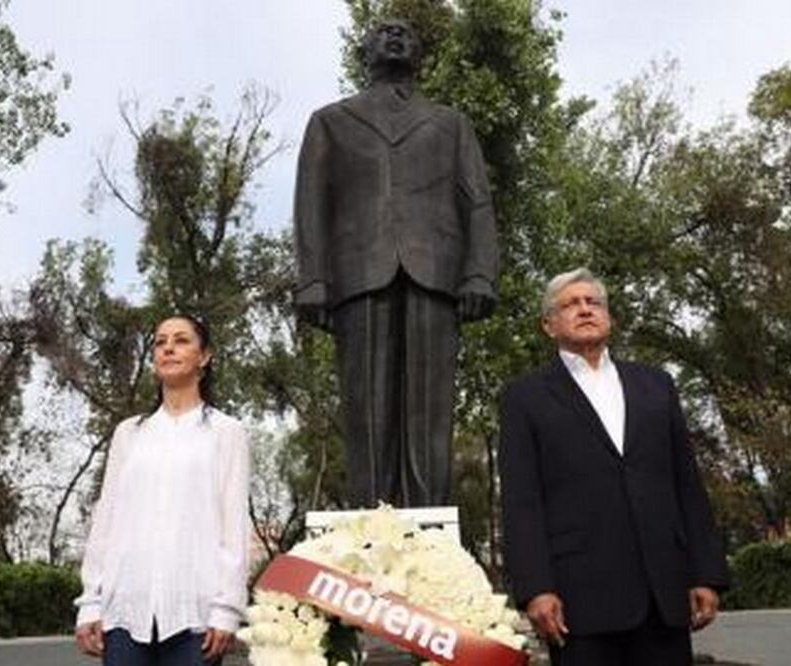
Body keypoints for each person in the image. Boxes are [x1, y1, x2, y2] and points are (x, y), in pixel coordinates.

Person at [292, 18, 498, 507]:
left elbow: (477, 201)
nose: (396, 36)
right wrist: (312, 279)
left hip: (436, 274)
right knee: (367, 404)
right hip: (358, 272)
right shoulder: (330, 121)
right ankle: (371, 517)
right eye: (384, 31)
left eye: (406, 32)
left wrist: (479, 272)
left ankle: (429, 522)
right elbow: (310, 202)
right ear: (364, 51)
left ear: (419, 54)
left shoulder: (451, 123)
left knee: (431, 406)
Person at [499, 269, 729, 666]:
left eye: (594, 302)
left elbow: (687, 482)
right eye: (571, 304)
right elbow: (522, 501)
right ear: (549, 325)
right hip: (579, 602)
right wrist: (535, 588)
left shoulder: (656, 384)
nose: (585, 309)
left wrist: (705, 573)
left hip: (664, 596)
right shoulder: (524, 398)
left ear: (609, 317)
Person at [73, 315, 250, 666]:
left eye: (181, 340)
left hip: (196, 617)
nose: (168, 348)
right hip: (124, 613)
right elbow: (106, 522)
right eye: (160, 342)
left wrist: (227, 609)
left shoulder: (226, 432)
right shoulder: (129, 433)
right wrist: (90, 602)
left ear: (205, 356)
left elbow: (234, 527)